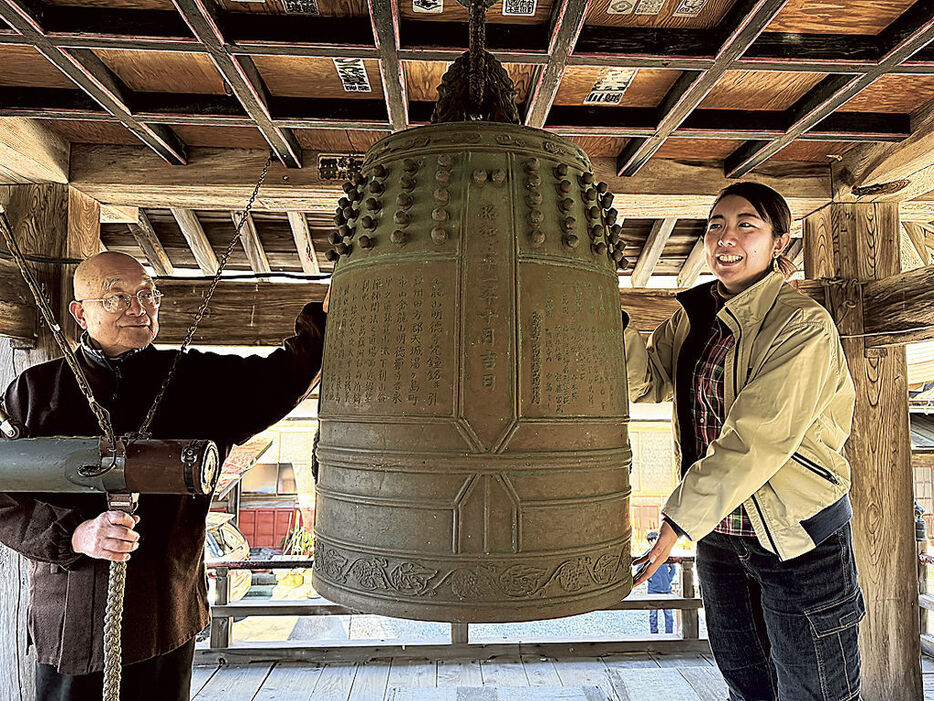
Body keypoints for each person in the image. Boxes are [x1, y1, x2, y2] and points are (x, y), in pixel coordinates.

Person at [0, 252, 326, 701]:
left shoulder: (195, 380)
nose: (140, 308)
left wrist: (324, 320)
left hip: (165, 615)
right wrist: (76, 535)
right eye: (117, 297)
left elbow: (282, 378)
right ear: (80, 312)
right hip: (72, 621)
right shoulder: (34, 391)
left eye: (148, 294)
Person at [625, 183, 863, 700]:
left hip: (795, 539)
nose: (725, 237)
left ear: (779, 242)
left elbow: (756, 439)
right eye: (715, 225)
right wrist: (610, 320)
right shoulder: (693, 317)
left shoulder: (802, 326)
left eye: (746, 225)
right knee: (747, 688)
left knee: (816, 692)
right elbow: (645, 383)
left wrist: (676, 521)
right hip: (720, 538)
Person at [644, 530, 675, 634]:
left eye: (654, 540)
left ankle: (669, 634)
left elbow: (673, 567)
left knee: (669, 614)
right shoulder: (646, 554)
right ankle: (654, 634)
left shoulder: (666, 553)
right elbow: (639, 568)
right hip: (653, 589)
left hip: (666, 588)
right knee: (653, 615)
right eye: (650, 540)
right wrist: (650, 579)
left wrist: (669, 579)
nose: (652, 542)